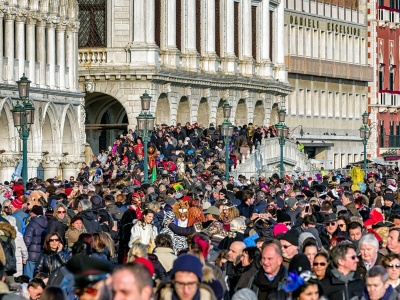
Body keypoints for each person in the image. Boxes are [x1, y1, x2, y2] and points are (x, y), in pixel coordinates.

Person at [23, 205, 48, 279]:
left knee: (28, 279)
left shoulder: (32, 223)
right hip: (41, 254)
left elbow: (27, 240)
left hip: (31, 254)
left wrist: (24, 254)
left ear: (34, 213)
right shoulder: (47, 223)